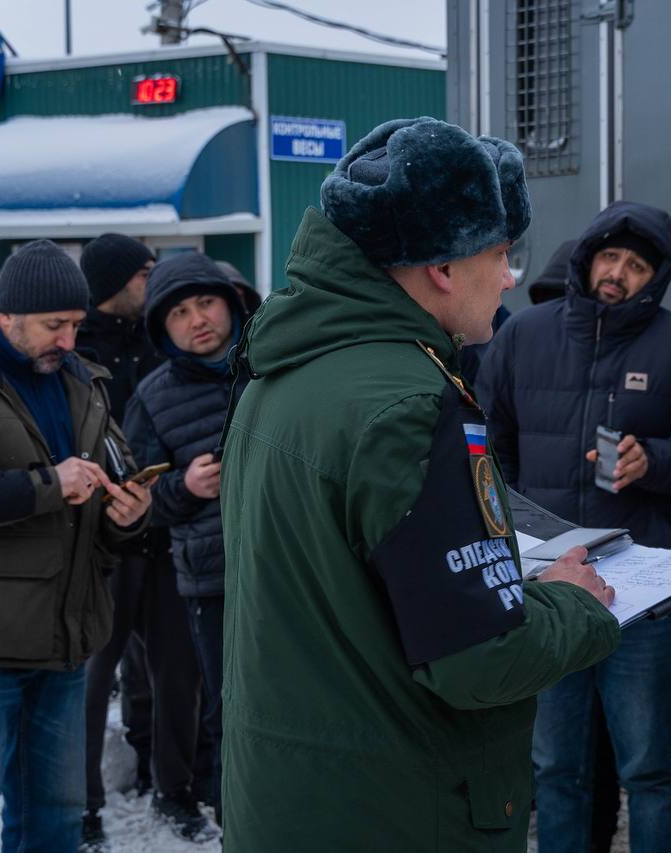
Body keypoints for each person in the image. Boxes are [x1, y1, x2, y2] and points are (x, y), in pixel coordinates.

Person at [218, 116, 621, 852]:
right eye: (500, 254)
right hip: (399, 810)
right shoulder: (409, 402)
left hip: (293, 800)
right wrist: (575, 603)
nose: (507, 277)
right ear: (442, 266)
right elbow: (480, 657)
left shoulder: (279, 374)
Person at [477, 200, 671, 853]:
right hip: (552, 592)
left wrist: (654, 460)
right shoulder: (524, 336)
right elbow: (487, 444)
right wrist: (518, 532)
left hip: (644, 599)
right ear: (588, 257)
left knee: (649, 768)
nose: (619, 273)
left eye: (637, 265)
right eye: (611, 257)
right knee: (555, 769)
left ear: (657, 277)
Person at [0, 239, 153, 852]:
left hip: (65, 644)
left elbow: (109, 486)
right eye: (54, 326)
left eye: (75, 324)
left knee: (53, 823)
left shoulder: (84, 381)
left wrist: (128, 514)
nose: (69, 340)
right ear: (8, 314)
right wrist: (48, 484)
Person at [76, 233, 204, 850]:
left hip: (167, 530)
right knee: (95, 676)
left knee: (177, 672)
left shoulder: (159, 338)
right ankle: (85, 803)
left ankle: (174, 789)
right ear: (113, 282)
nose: (152, 282)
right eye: (143, 272)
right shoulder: (74, 347)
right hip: (101, 540)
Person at [124, 252, 246, 841]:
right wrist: (183, 486)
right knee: (224, 707)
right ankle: (233, 820)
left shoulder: (271, 366)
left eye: (205, 302)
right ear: (161, 327)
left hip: (290, 567)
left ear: (229, 303)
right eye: (178, 312)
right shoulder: (152, 396)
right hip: (212, 577)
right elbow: (139, 500)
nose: (197, 319)